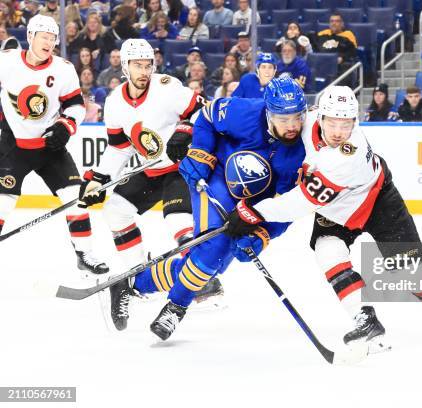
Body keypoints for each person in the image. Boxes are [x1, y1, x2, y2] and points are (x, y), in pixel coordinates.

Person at [224, 86, 422, 348]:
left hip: (378, 201)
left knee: (413, 276)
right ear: (319, 116)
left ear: (355, 122)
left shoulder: (348, 156)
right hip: (336, 210)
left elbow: (301, 203)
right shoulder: (307, 120)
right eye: (332, 123)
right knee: (327, 250)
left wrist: (253, 212)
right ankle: (364, 318)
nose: (338, 132)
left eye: (346, 124)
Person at [107, 77, 308, 340]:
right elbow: (205, 116)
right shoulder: (245, 111)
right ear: (268, 112)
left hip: (253, 201)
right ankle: (175, 308)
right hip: (217, 177)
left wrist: (263, 234)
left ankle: (133, 283)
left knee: (213, 264)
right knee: (214, 249)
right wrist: (200, 153)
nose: (292, 126)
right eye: (283, 119)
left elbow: (291, 204)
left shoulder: (306, 150)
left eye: (296, 117)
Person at [76, 39, 212, 331]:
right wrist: (97, 179)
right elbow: (119, 148)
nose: (144, 70)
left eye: (148, 64)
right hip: (149, 170)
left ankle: (199, 280)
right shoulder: (114, 102)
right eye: (137, 65)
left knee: (179, 223)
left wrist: (184, 131)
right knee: (114, 211)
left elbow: (203, 110)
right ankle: (134, 277)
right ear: (124, 66)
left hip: (180, 168)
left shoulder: (167, 87)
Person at [0, 15, 108, 274]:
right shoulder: (6, 62)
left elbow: (75, 106)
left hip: (50, 146)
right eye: (44, 37)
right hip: (13, 144)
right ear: (30, 37)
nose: (49, 42)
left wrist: (65, 126)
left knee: (74, 196)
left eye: (53, 38)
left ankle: (85, 253)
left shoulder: (63, 68)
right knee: (3, 200)